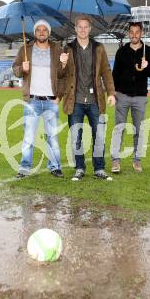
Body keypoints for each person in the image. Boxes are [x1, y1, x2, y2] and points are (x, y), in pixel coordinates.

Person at [59, 15, 116, 181]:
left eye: (86, 27)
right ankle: (79, 167)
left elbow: (106, 71)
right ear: (75, 29)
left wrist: (111, 93)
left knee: (98, 136)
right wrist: (62, 64)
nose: (83, 29)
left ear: (90, 29)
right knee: (76, 137)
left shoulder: (99, 48)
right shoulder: (67, 48)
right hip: (74, 100)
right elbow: (60, 75)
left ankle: (99, 168)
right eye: (80, 27)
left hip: (94, 100)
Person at [12, 19, 68, 178]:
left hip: (51, 101)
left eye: (45, 30)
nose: (41, 32)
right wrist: (21, 68)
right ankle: (24, 167)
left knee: (53, 137)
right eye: (38, 30)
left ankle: (55, 166)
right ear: (35, 32)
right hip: (32, 101)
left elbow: (63, 76)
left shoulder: (57, 49)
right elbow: (15, 69)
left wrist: (64, 65)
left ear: (49, 33)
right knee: (29, 137)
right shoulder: (25, 49)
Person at [110, 22, 150, 173]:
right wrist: (112, 92)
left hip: (140, 97)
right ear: (128, 33)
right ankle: (115, 161)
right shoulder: (121, 51)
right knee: (119, 129)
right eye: (132, 32)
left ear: (141, 33)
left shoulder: (148, 51)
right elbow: (115, 74)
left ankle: (137, 161)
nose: (134, 34)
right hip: (122, 96)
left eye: (137, 32)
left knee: (139, 130)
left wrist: (146, 67)